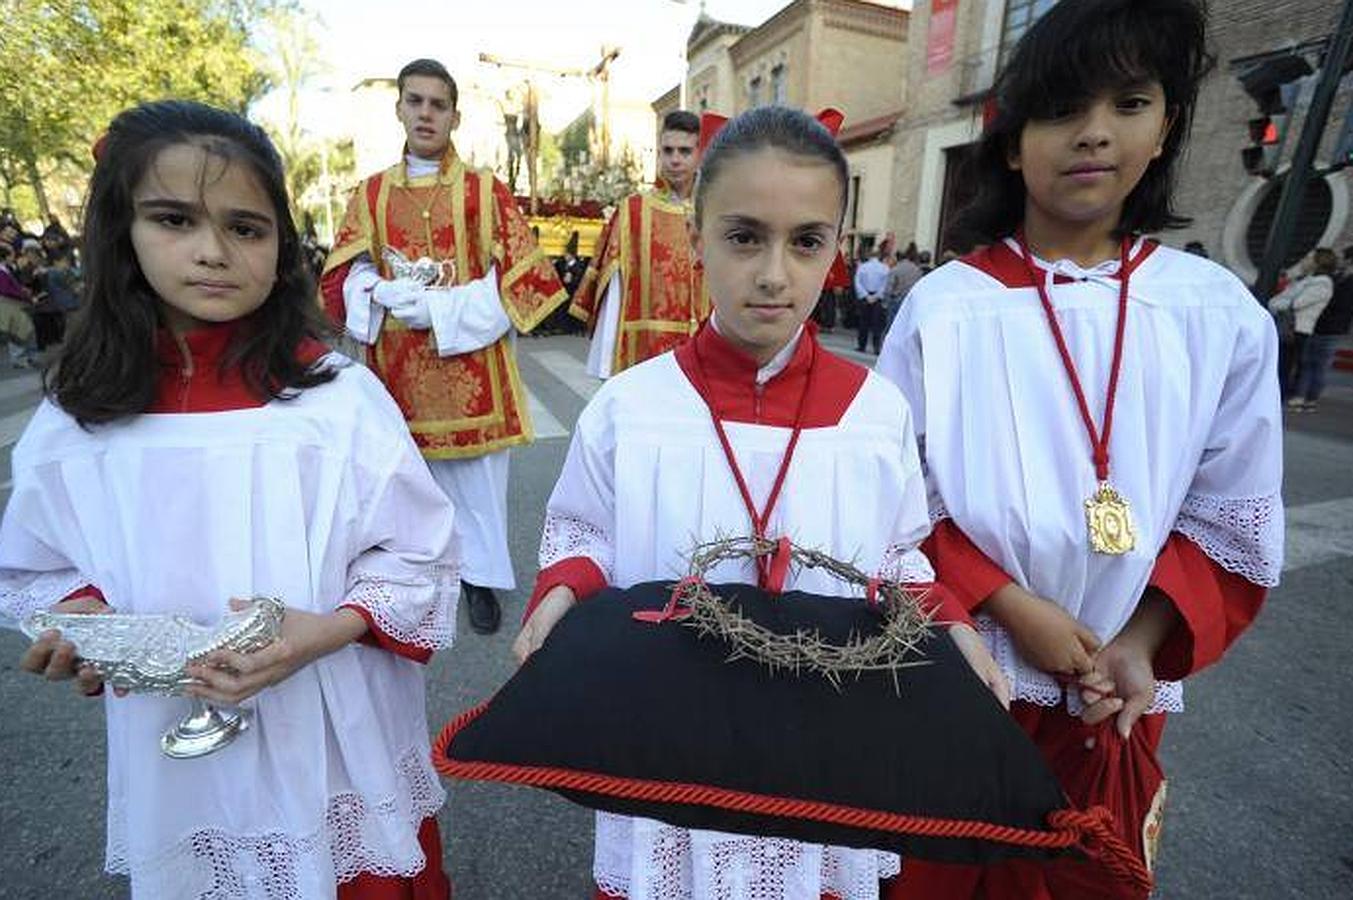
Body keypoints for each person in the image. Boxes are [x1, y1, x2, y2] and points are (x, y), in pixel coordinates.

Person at [513, 105, 1007, 900]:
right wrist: (561, 589)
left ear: (834, 252)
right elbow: (585, 527)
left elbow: (894, 552)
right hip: (673, 725)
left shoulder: (875, 413)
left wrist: (950, 623)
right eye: (744, 237)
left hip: (820, 725)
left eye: (805, 241)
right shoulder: (632, 407)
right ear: (694, 239)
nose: (774, 273)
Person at [0, 100, 458, 899]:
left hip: (330, 721)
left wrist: (327, 631)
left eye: (246, 228)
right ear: (120, 232)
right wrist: (82, 624)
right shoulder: (79, 416)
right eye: (174, 219)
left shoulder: (336, 398)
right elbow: (37, 565)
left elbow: (418, 549)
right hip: (169, 743)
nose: (213, 253)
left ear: (281, 247)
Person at [876, 2, 1283, 897]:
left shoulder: (1215, 316)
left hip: (1112, 690)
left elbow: (1228, 514)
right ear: (1012, 143)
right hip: (963, 666)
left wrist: (1139, 642)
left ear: (1165, 127)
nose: (1093, 134)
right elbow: (893, 502)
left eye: (1127, 104)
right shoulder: (944, 309)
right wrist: (1009, 605)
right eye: (1062, 109)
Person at [320, 58, 567, 635]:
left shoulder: (485, 190)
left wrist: (443, 308)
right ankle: (417, 577)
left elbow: (528, 281)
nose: (426, 113)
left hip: (472, 368)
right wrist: (376, 289)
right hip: (399, 372)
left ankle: (480, 579)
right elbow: (338, 277)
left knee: (478, 487)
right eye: (416, 101)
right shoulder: (371, 194)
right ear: (400, 108)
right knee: (410, 483)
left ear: (455, 115)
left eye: (438, 104)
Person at [570, 110, 707, 378]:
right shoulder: (634, 210)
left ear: (699, 153)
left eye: (684, 151)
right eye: (667, 151)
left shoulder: (717, 210)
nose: (675, 160)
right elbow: (615, 288)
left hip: (706, 348)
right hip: (647, 350)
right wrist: (607, 358)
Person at [1269, 247, 1336, 406]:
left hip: (1298, 329)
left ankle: (1281, 396)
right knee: (1282, 363)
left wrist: (1279, 302)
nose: (1305, 260)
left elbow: (1296, 303)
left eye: (1310, 258)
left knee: (1286, 365)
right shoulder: (1306, 279)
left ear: (1318, 262)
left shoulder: (1322, 283)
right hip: (1291, 327)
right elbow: (1281, 299)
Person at [1292, 246, 1353, 411]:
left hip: (1332, 327)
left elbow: (1342, 305)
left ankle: (1310, 399)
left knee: (1319, 364)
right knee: (1308, 362)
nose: (1340, 262)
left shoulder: (1345, 280)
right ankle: (1302, 395)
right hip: (1320, 325)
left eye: (1344, 258)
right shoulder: (1336, 277)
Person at [0, 242, 37, 367]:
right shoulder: (2, 271)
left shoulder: (6, 269)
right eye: (11, 255)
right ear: (6, 257)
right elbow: (5, 290)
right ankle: (19, 358)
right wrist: (22, 294)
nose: (14, 257)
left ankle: (25, 357)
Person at [854, 246, 889, 353]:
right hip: (877, 297)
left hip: (865, 296)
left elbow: (857, 281)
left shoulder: (862, 267)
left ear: (869, 255)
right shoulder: (885, 268)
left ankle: (862, 346)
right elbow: (885, 284)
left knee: (863, 323)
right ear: (879, 256)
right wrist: (877, 296)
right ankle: (876, 347)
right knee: (876, 324)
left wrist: (865, 295)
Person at [883, 245, 923, 331]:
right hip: (911, 302)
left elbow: (888, 288)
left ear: (897, 258)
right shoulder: (917, 270)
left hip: (896, 301)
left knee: (891, 328)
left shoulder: (895, 269)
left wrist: (885, 303)